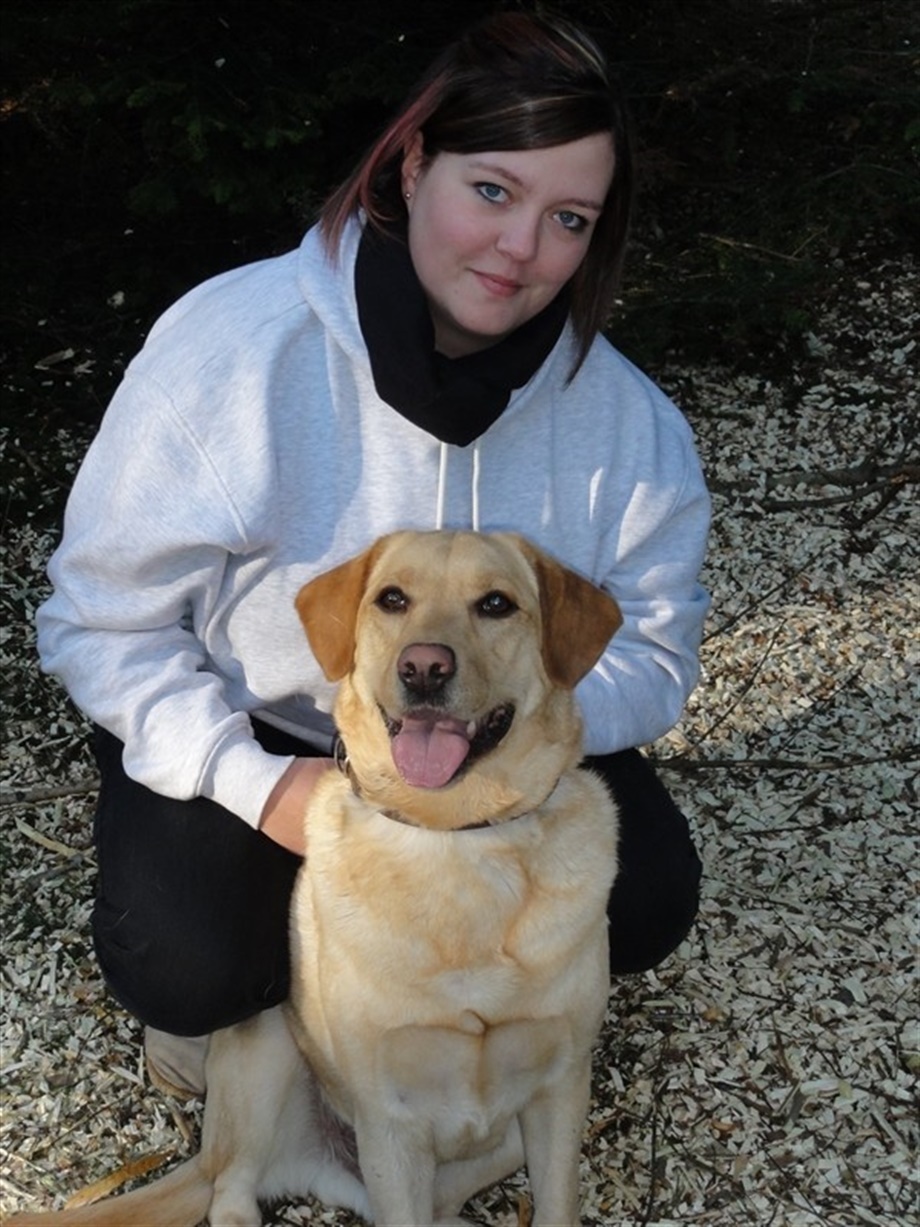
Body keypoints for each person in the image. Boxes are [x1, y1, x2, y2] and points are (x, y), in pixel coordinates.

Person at [36, 11, 710, 1099]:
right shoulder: (233, 351)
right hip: (271, 729)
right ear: (410, 163)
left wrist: (514, 747)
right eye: (491, 189)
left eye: (568, 218)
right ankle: (275, 997)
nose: (521, 248)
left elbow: (656, 648)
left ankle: (455, 1002)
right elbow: (99, 622)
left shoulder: (630, 425)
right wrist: (254, 783)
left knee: (646, 900)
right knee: (192, 961)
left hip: (502, 731)